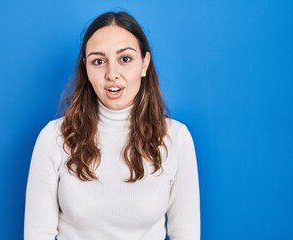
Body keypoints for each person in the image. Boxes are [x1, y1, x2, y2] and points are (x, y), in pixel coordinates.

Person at [24, 11, 200, 240]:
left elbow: (185, 234)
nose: (112, 74)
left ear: (144, 63)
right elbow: (38, 234)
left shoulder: (176, 138)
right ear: (86, 68)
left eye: (125, 59)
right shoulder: (53, 138)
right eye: (99, 61)